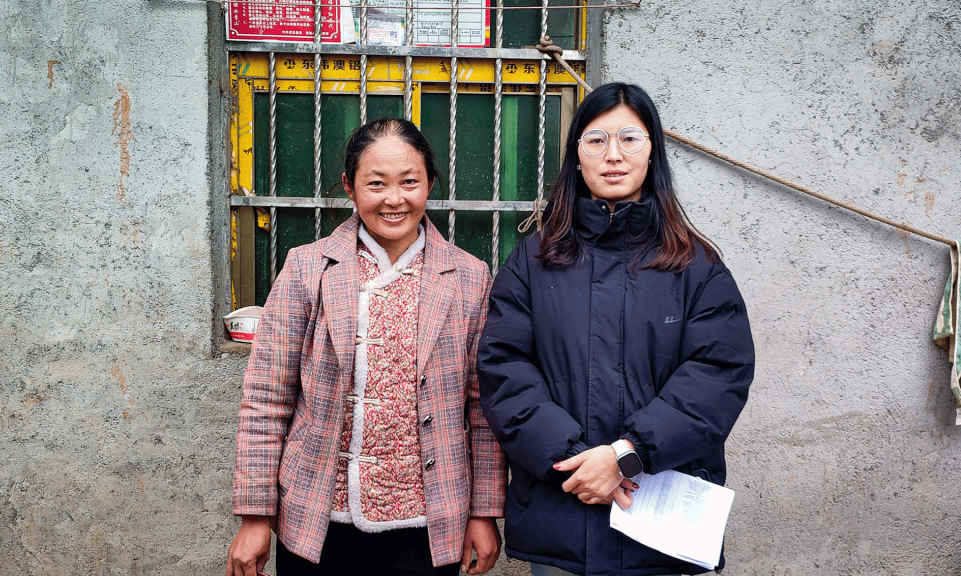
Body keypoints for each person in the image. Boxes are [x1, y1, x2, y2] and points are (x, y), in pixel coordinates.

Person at [477, 83, 755, 576]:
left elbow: (718, 375)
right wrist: (577, 461)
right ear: (575, 156)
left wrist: (627, 455)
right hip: (562, 510)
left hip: (657, 527)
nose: (613, 155)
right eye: (596, 140)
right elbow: (504, 369)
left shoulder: (697, 267)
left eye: (630, 139)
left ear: (652, 153)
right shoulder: (533, 261)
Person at [227, 117, 505, 576]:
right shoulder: (307, 268)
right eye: (376, 183)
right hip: (317, 518)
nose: (394, 199)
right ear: (350, 187)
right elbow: (266, 399)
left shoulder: (469, 277)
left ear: (430, 184)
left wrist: (484, 512)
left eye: (409, 182)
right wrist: (254, 517)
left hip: (430, 521)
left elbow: (482, 408)